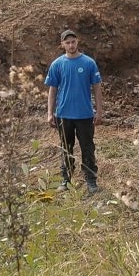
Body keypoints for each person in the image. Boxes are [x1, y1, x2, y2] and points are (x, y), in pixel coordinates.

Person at [45, 29, 103, 195]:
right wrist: (50, 113)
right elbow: (52, 90)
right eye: (67, 42)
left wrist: (99, 111)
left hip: (85, 115)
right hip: (63, 115)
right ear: (62, 44)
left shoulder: (89, 63)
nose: (71, 45)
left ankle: (91, 181)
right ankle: (66, 180)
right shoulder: (57, 64)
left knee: (87, 148)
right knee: (66, 148)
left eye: (73, 42)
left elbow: (97, 89)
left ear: (78, 42)